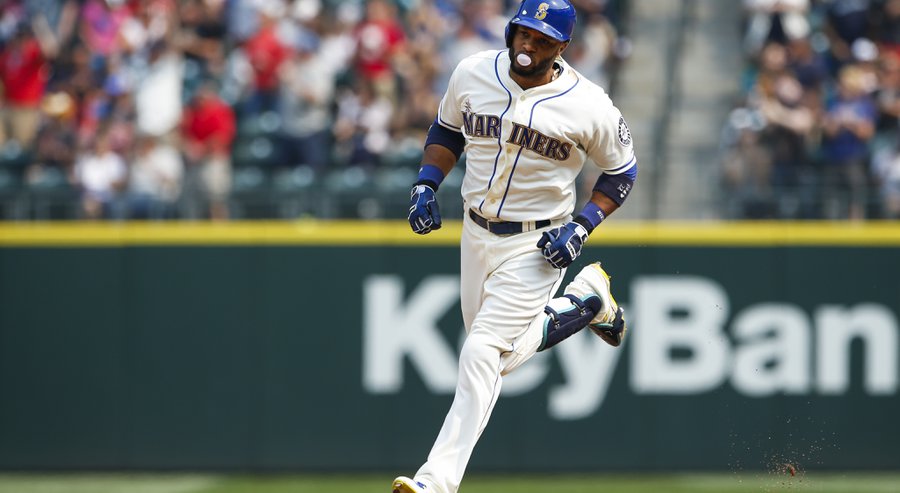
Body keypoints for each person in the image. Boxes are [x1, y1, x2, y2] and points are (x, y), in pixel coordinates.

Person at [394, 1, 636, 492]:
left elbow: (622, 171)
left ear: (562, 48)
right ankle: (585, 302)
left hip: (537, 242)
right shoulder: (473, 71)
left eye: (542, 39)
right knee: (495, 357)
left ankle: (435, 483)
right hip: (475, 231)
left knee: (481, 353)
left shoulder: (588, 104)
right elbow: (446, 128)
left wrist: (584, 226)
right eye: (524, 33)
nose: (528, 45)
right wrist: (426, 181)